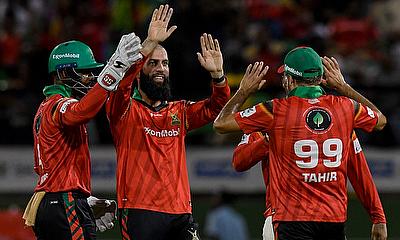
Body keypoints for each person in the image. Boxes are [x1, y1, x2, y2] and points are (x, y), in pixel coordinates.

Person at [213, 46, 387, 239]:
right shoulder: (344, 110)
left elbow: (221, 124)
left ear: (289, 79)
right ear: (321, 78)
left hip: (289, 218)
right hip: (333, 219)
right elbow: (379, 124)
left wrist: (243, 91)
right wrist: (344, 87)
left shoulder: (273, 112)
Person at [105, 4, 230, 240]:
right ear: (141, 69)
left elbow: (216, 106)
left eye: (165, 63)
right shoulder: (124, 112)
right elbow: (121, 85)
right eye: (153, 63)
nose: (160, 68)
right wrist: (148, 45)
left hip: (180, 212)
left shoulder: (179, 112)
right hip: (139, 211)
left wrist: (218, 75)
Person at [23, 29, 146, 239]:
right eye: (84, 72)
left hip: (52, 200)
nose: (89, 78)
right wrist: (114, 68)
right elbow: (80, 113)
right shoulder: (58, 104)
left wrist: (82, 199)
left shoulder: (45, 107)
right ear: (63, 73)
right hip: (62, 200)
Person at [232, 131, 387, 240]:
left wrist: (378, 217)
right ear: (290, 82)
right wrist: (267, 139)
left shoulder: (339, 116)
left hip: (328, 220)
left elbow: (359, 172)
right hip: (286, 218)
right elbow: (239, 161)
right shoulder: (270, 117)